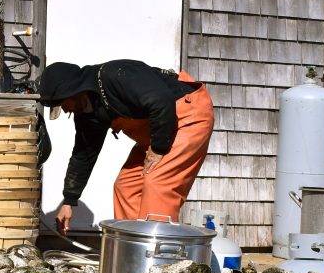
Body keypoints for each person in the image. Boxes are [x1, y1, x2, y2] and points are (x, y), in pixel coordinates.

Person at [39, 59, 214, 233]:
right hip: (159, 133)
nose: (66, 110)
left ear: (72, 91)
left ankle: (158, 255)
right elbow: (83, 156)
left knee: (157, 184)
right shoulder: (87, 114)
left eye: (63, 104)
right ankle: (131, 249)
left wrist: (158, 149)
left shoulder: (117, 75)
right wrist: (69, 201)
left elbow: (161, 101)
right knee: (126, 186)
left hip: (187, 118)